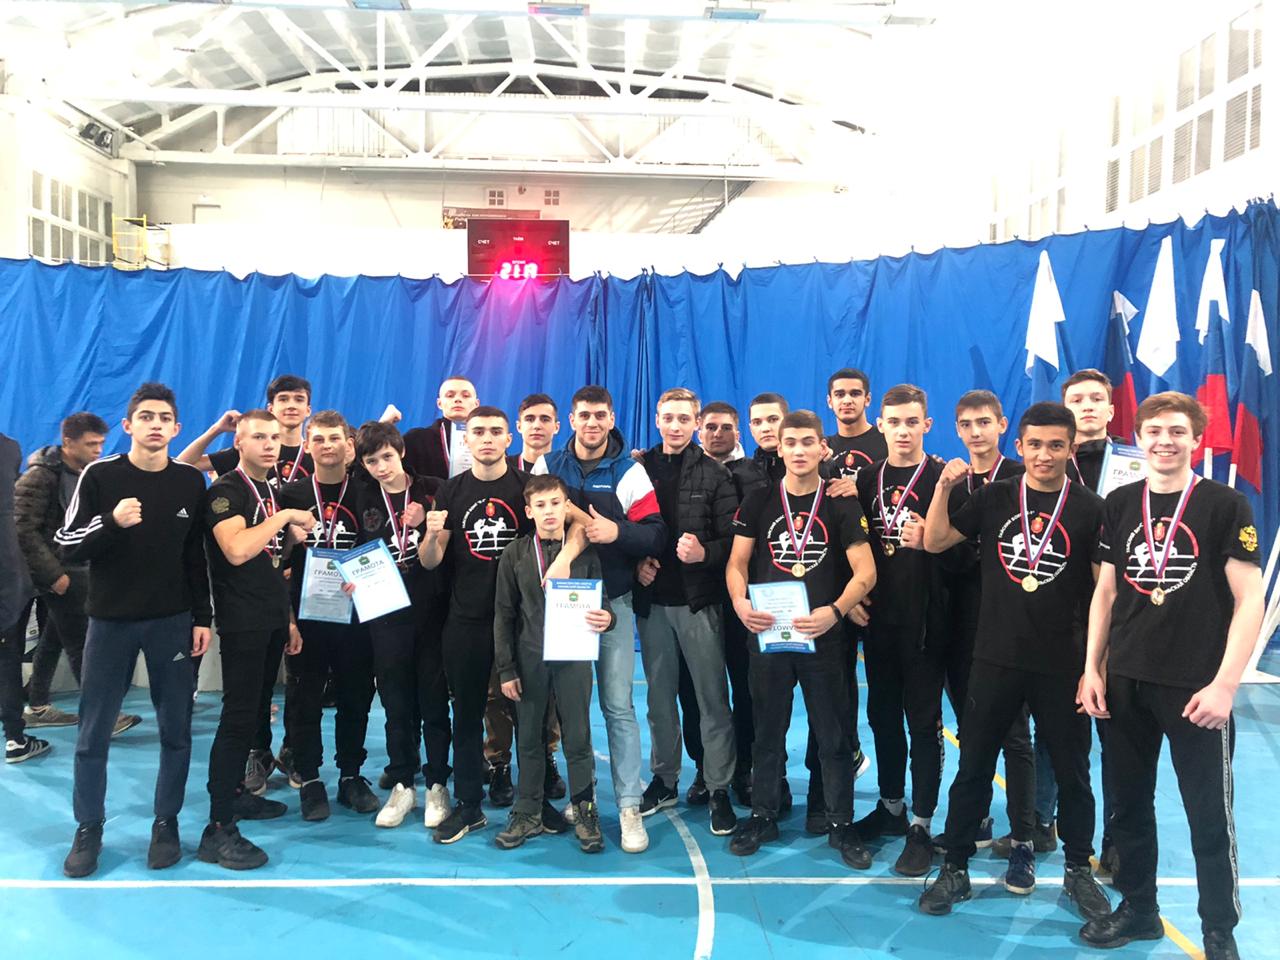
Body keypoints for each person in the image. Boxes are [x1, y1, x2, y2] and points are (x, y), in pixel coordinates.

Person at [1079, 392, 1263, 960]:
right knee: (1128, 807)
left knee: (1208, 815)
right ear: (1139, 437)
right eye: (1154, 431)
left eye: (1177, 431)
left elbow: (1250, 599)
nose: (1165, 441)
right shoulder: (1119, 502)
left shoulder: (1224, 504)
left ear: (1197, 439)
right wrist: (1092, 669)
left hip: (1195, 688)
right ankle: (1139, 909)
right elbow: (1106, 592)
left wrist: (1226, 685)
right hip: (1125, 681)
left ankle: (1218, 931)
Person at [917, 401, 1110, 921]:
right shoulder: (996, 496)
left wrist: (1096, 665)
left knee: (1073, 774)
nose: (1044, 454)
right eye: (1035, 445)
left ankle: (1077, 871)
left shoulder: (1091, 509)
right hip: (995, 656)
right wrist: (942, 489)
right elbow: (935, 540)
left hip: (1062, 663)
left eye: (1056, 445)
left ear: (1071, 450)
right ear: (1019, 446)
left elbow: (1104, 592)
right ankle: (955, 867)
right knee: (973, 766)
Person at [53, 383, 212, 876]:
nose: (155, 424)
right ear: (128, 425)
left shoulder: (190, 481)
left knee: (176, 729)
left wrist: (202, 618)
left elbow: (195, 556)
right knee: (93, 732)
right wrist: (111, 522)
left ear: (176, 428)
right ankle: (89, 828)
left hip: (172, 623)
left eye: (164, 418)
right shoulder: (101, 475)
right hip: (110, 623)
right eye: (146, 416)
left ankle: (166, 823)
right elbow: (66, 544)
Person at [420, 406, 581, 843]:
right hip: (467, 620)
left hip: (523, 622)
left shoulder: (526, 487)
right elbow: (431, 561)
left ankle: (534, 802)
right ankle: (469, 805)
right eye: (478, 432)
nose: (487, 438)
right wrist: (431, 534)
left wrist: (567, 556)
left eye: (496, 431)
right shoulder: (450, 491)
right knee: (467, 714)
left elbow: (574, 526)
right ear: (466, 440)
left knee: (530, 717)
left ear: (509, 439)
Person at [725, 409, 876, 868]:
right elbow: (736, 564)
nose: (798, 450)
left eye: (808, 442)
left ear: (821, 448)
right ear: (780, 447)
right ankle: (763, 814)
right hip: (769, 634)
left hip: (823, 636)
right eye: (790, 442)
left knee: (833, 734)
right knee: (767, 731)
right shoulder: (758, 500)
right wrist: (740, 604)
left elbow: (866, 573)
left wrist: (835, 611)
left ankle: (840, 822)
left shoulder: (840, 502)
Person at [533, 385, 667, 854]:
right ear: (571, 420)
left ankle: (629, 807)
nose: (592, 423)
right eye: (584, 415)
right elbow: (536, 524)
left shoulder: (630, 471)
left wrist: (617, 532)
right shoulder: (547, 465)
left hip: (614, 602)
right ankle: (583, 798)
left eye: (600, 416)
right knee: (570, 708)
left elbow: (656, 535)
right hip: (564, 604)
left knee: (617, 706)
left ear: (611, 419)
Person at [201, 409, 313, 870]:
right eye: (258, 437)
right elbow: (236, 549)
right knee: (237, 718)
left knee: (253, 717)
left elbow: (272, 562)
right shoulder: (226, 490)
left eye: (274, 437)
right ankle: (218, 827)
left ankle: (235, 797)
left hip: (269, 617)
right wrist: (285, 516)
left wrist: (287, 619)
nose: (269, 445)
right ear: (239, 443)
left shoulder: (270, 489)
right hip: (242, 621)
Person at [852, 384, 949, 877]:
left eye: (913, 422)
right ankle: (891, 806)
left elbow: (964, 551)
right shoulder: (866, 479)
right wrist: (851, 598)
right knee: (882, 717)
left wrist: (933, 543)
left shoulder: (943, 479)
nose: (903, 431)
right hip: (879, 621)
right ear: (881, 425)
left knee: (923, 724)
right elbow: (850, 546)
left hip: (926, 624)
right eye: (894, 422)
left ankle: (922, 824)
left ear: (926, 425)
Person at [633, 388, 739, 837]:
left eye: (683, 419)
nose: (675, 426)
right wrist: (635, 564)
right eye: (668, 418)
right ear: (657, 420)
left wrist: (704, 553)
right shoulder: (637, 469)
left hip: (699, 603)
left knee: (712, 699)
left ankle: (718, 788)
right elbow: (623, 531)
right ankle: (665, 779)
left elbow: (736, 540)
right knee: (659, 700)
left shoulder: (715, 474)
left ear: (696, 423)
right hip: (652, 604)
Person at [936, 390, 1033, 860]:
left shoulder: (1022, 478)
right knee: (971, 730)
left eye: (984, 422)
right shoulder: (950, 482)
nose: (976, 432)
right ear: (957, 430)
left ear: (1001, 425)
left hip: (1010, 626)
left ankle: (1024, 835)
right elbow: (937, 545)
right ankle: (975, 820)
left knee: (1014, 735)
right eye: (967, 424)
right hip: (958, 621)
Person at [493, 474, 613, 853]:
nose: (549, 511)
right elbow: (503, 615)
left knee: (577, 736)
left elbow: (603, 604)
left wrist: (607, 618)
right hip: (529, 660)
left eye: (556, 503)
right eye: (541, 505)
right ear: (529, 511)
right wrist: (506, 669)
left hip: (573, 657)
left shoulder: (583, 554)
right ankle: (527, 810)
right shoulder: (515, 554)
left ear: (566, 508)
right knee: (529, 736)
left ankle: (585, 810)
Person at [276, 411, 378, 820]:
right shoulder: (290, 495)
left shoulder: (369, 492)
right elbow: (275, 562)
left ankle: (351, 774)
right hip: (308, 614)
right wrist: (288, 617)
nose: (327, 445)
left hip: (357, 615)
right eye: (318, 439)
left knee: (356, 696)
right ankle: (310, 778)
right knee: (305, 698)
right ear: (307, 446)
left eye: (335, 438)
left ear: (349, 445)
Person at [352, 421, 452, 832]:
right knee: (394, 700)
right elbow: (356, 550)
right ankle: (402, 782)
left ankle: (437, 782)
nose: (381, 467)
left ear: (402, 453)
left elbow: (444, 547)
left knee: (433, 699)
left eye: (387, 457)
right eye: (372, 461)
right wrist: (350, 578)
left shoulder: (434, 489)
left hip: (430, 608)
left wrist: (425, 520)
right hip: (385, 611)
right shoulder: (362, 496)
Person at [15, 413, 139, 735]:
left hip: (77, 570)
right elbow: (22, 530)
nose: (99, 449)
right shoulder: (40, 478)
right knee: (82, 645)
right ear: (68, 442)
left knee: (53, 638)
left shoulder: (84, 474)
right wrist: (54, 575)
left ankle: (37, 706)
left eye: (101, 443)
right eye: (91, 444)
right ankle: (104, 717)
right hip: (61, 574)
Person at [504, 393, 568, 800]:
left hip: (556, 592)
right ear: (519, 427)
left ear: (557, 426)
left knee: (553, 693)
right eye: (530, 419)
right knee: (506, 688)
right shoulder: (505, 472)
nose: (538, 425)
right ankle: (498, 763)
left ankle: (548, 755)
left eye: (546, 419)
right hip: (510, 585)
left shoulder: (563, 471)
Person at [178, 375, 315, 486]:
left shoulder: (316, 454)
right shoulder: (251, 450)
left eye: (299, 400)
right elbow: (181, 465)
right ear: (270, 409)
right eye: (283, 399)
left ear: (308, 410)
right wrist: (216, 430)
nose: (291, 406)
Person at [2, 430, 46, 764]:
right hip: (7, 578)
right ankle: (16, 739)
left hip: (10, 578)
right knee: (7, 659)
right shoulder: (8, 448)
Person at [400, 376, 480, 480]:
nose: (457, 399)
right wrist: (385, 423)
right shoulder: (416, 439)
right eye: (450, 395)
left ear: (476, 404)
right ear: (439, 403)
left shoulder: (487, 439)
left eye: (465, 396)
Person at [825, 368, 887, 483]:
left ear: (867, 399)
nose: (847, 401)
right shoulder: (823, 448)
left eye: (855, 394)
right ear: (830, 401)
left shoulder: (887, 441)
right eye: (840, 394)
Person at [1061, 369, 1114, 490]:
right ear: (1064, 414)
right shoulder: (1053, 461)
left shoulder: (1133, 459)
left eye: (1097, 399)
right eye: (1077, 401)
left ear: (1111, 412)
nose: (1087, 407)